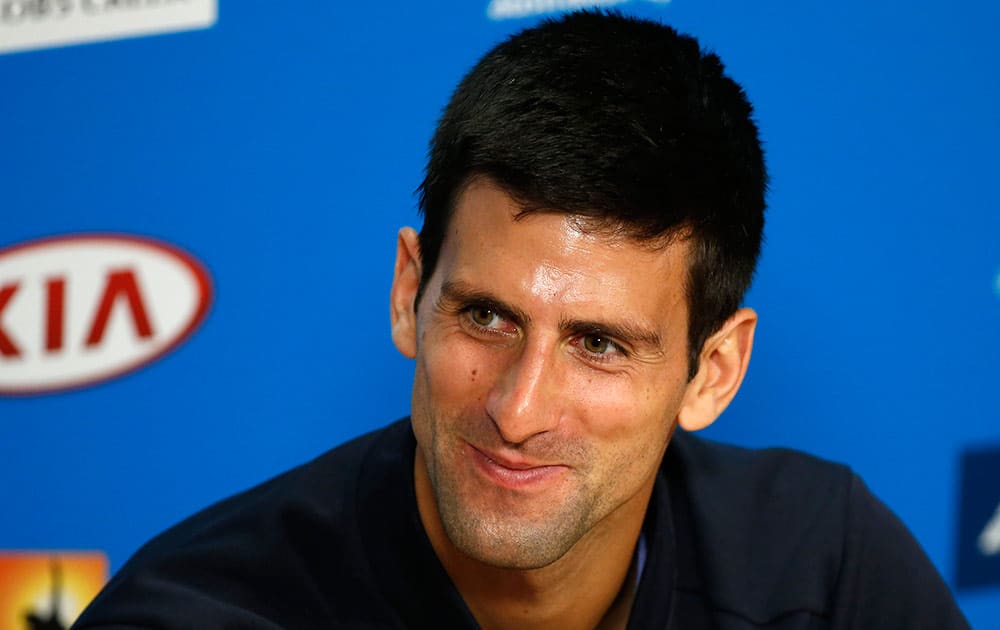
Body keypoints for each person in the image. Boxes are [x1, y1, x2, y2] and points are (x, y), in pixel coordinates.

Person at [74, 10, 969, 629]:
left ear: (715, 372)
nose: (519, 407)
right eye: (488, 317)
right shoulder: (201, 613)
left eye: (599, 344)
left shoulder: (821, 571)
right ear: (408, 295)